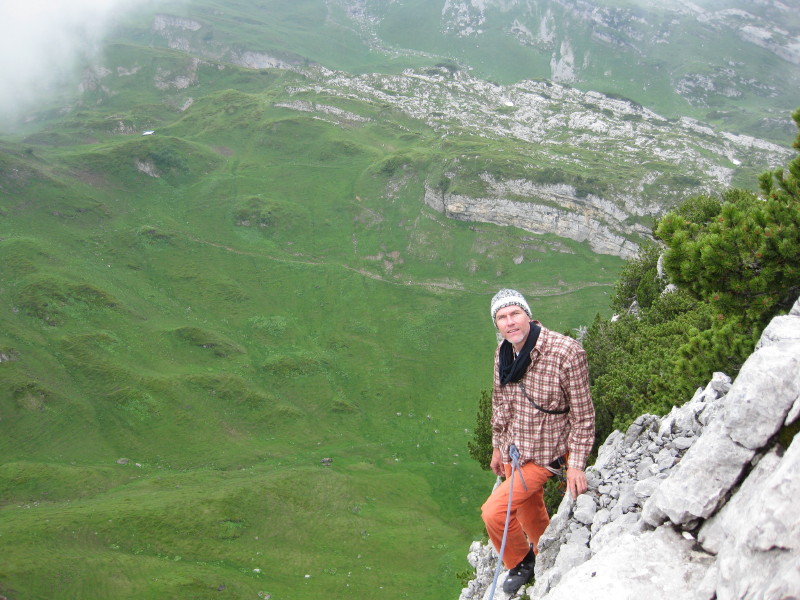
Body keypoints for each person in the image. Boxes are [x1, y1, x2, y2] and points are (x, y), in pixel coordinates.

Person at [481, 288, 595, 595]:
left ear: (528, 315)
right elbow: (501, 402)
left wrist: (577, 466)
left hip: (547, 454)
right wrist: (496, 446)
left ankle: (521, 562)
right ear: (497, 325)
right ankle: (547, 553)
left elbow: (584, 416)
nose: (510, 322)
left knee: (494, 512)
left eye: (515, 313)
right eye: (502, 318)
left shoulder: (565, 352)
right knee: (527, 510)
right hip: (513, 449)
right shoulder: (504, 353)